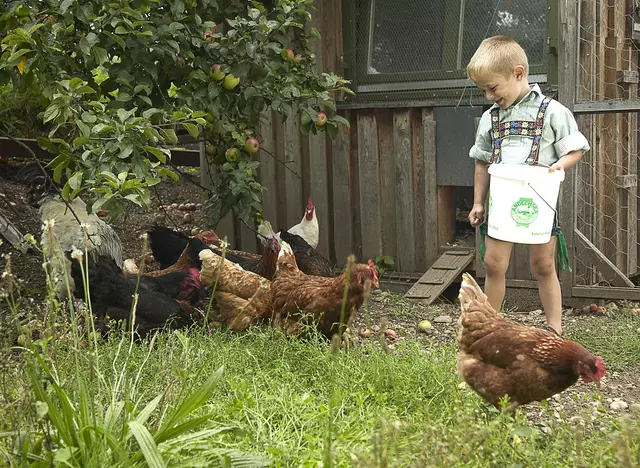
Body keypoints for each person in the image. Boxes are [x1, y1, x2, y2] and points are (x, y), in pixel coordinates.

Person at [466, 36, 589, 336]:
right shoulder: (489, 119)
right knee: (493, 263)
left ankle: (555, 329)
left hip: (539, 201)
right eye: (483, 90)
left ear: (518, 73)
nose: (488, 96)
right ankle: (488, 330)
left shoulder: (553, 111)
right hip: (502, 201)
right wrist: (478, 202)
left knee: (543, 264)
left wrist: (562, 164)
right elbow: (482, 161)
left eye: (493, 88)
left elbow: (575, 148)